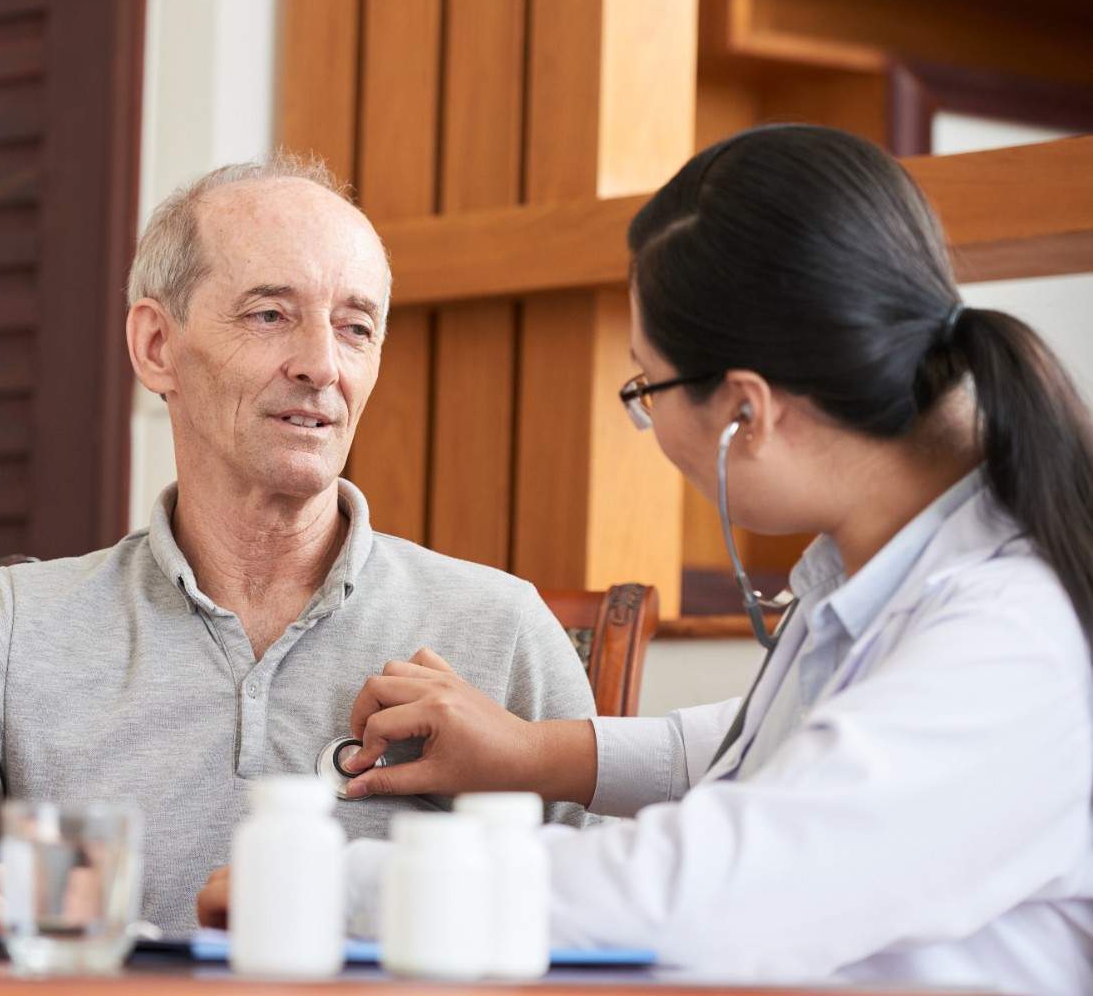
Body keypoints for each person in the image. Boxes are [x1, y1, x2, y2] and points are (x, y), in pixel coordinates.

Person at [198, 126, 1093, 994]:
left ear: (745, 412)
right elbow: (773, 749)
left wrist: (325, 884)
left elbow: (706, 891)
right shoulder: (890, 590)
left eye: (646, 387)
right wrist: (539, 752)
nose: (318, 365)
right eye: (269, 315)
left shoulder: (1009, 644)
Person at [0, 156, 599, 933]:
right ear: (157, 345)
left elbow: (627, 919)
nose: (323, 364)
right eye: (270, 314)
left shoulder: (498, 627)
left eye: (355, 327)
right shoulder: (19, 625)